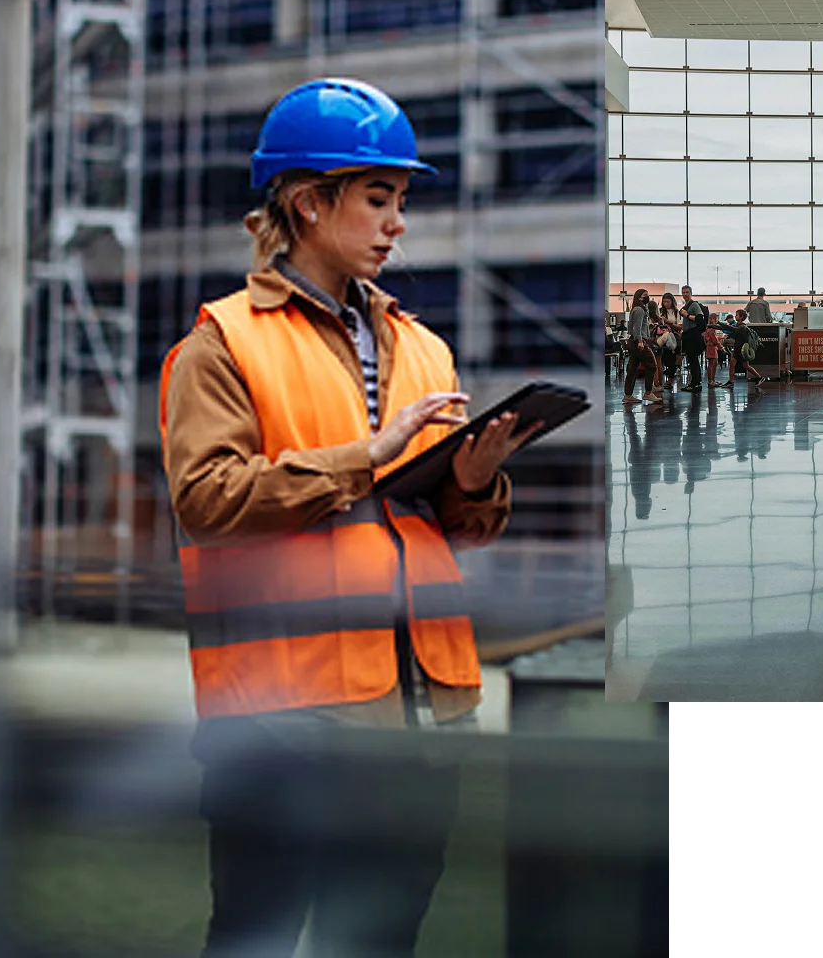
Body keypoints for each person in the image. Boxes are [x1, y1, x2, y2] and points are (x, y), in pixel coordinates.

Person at [159, 77, 540, 958]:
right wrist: (363, 457)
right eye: (378, 198)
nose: (397, 222)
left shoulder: (423, 345)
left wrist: (474, 482)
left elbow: (447, 529)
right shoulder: (222, 345)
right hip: (283, 720)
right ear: (307, 201)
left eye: (400, 200)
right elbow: (206, 500)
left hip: (419, 721)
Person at [623, 288, 660, 404]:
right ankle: (648, 393)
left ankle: (628, 395)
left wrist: (648, 330)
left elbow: (637, 327)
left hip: (633, 341)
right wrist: (640, 341)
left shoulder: (637, 309)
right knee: (652, 365)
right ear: (639, 297)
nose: (647, 297)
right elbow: (636, 328)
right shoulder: (639, 310)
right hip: (638, 342)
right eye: (645, 295)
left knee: (633, 368)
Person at [716, 309, 767, 388]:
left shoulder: (742, 327)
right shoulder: (738, 325)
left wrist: (718, 323)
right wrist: (712, 326)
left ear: (741, 317)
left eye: (737, 315)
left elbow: (730, 328)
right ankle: (731, 381)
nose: (735, 316)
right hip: (738, 349)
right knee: (735, 364)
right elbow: (728, 328)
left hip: (741, 350)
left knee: (743, 365)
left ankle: (759, 377)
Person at [679, 286, 709, 391]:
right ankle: (695, 382)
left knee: (693, 360)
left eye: (687, 292)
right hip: (688, 334)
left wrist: (687, 315)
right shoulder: (686, 305)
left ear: (691, 293)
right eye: (683, 292)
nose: (685, 294)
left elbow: (700, 318)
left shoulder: (694, 305)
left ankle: (696, 383)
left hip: (693, 335)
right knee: (692, 360)